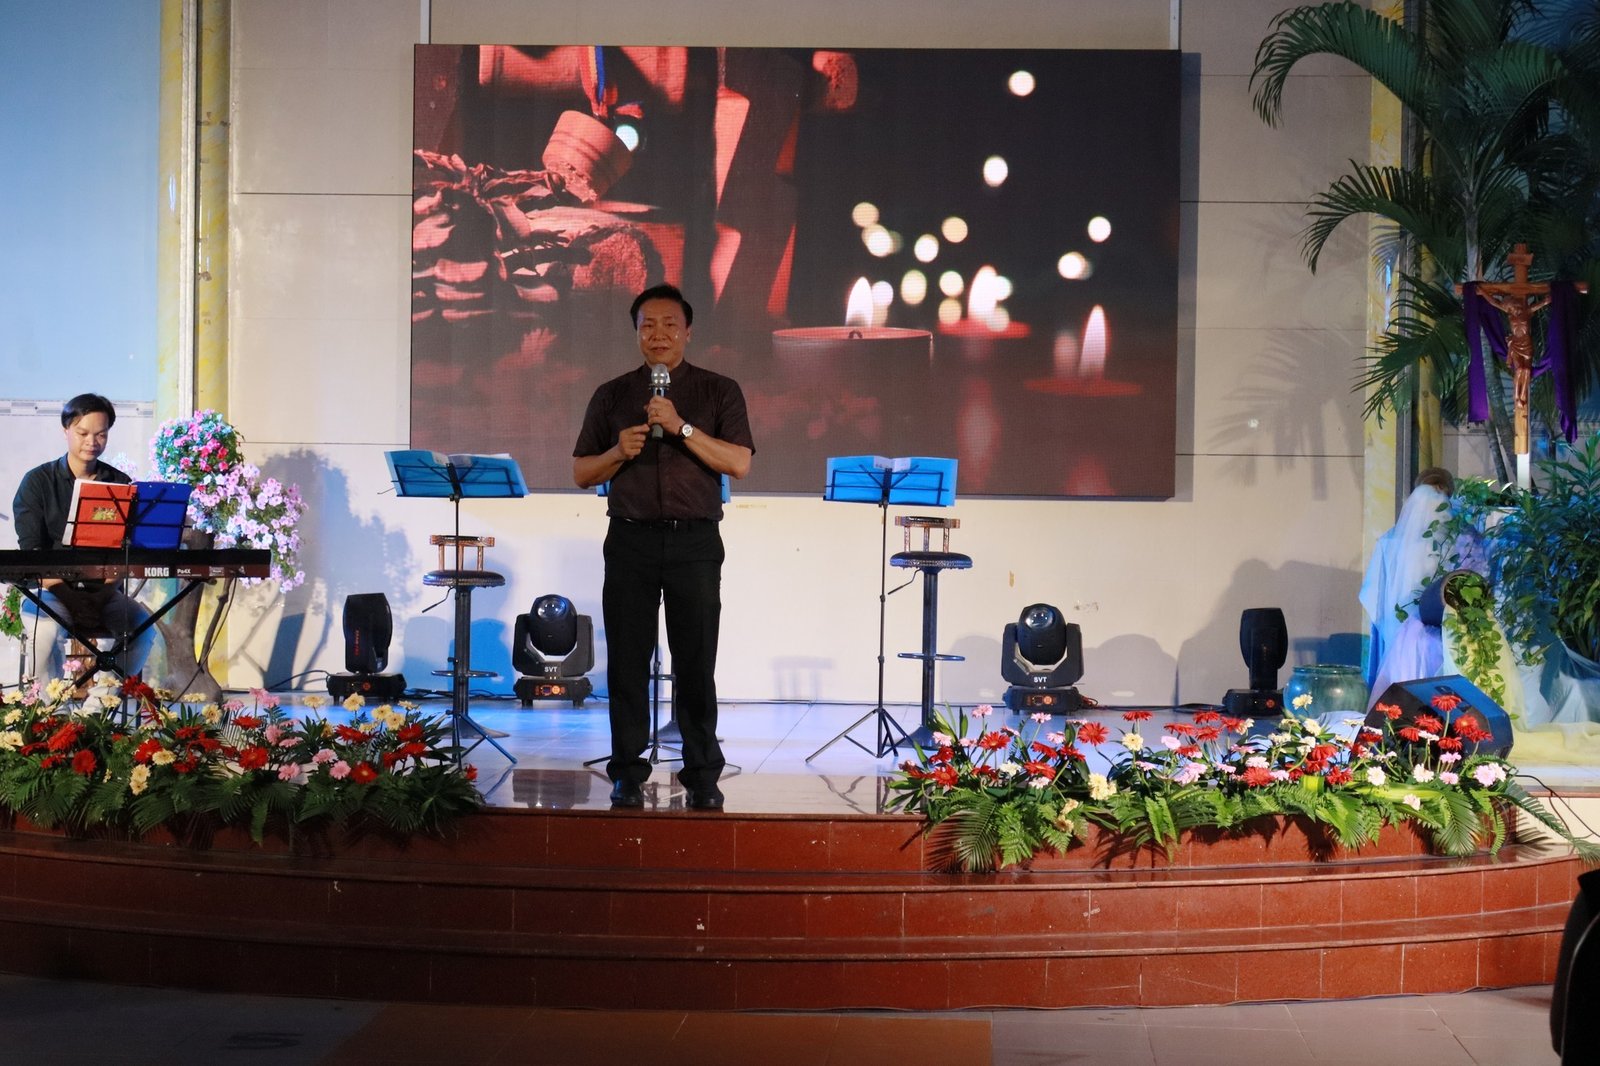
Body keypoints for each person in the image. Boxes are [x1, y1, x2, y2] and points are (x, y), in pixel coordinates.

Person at [572, 284, 754, 810]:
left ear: (688, 331)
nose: (658, 334)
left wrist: (681, 427)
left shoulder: (719, 391)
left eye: (670, 324)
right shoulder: (611, 395)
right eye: (647, 325)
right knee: (627, 663)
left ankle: (702, 773)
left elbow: (739, 462)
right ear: (636, 333)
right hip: (629, 539)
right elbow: (582, 471)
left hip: (695, 541)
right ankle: (627, 772)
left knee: (696, 662)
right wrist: (617, 453)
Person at [12, 393, 156, 683]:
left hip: (103, 592)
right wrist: (73, 601)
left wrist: (101, 596)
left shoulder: (119, 484)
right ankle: (53, 708)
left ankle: (101, 705)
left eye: (101, 434)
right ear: (65, 430)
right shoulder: (38, 482)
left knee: (143, 630)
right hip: (51, 591)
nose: (92, 442)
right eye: (83, 433)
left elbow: (124, 552)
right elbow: (32, 552)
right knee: (45, 632)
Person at [1358, 467, 1464, 693]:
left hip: (1399, 631)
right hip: (1445, 634)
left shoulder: (1389, 542)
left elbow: (1372, 593)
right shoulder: (1459, 541)